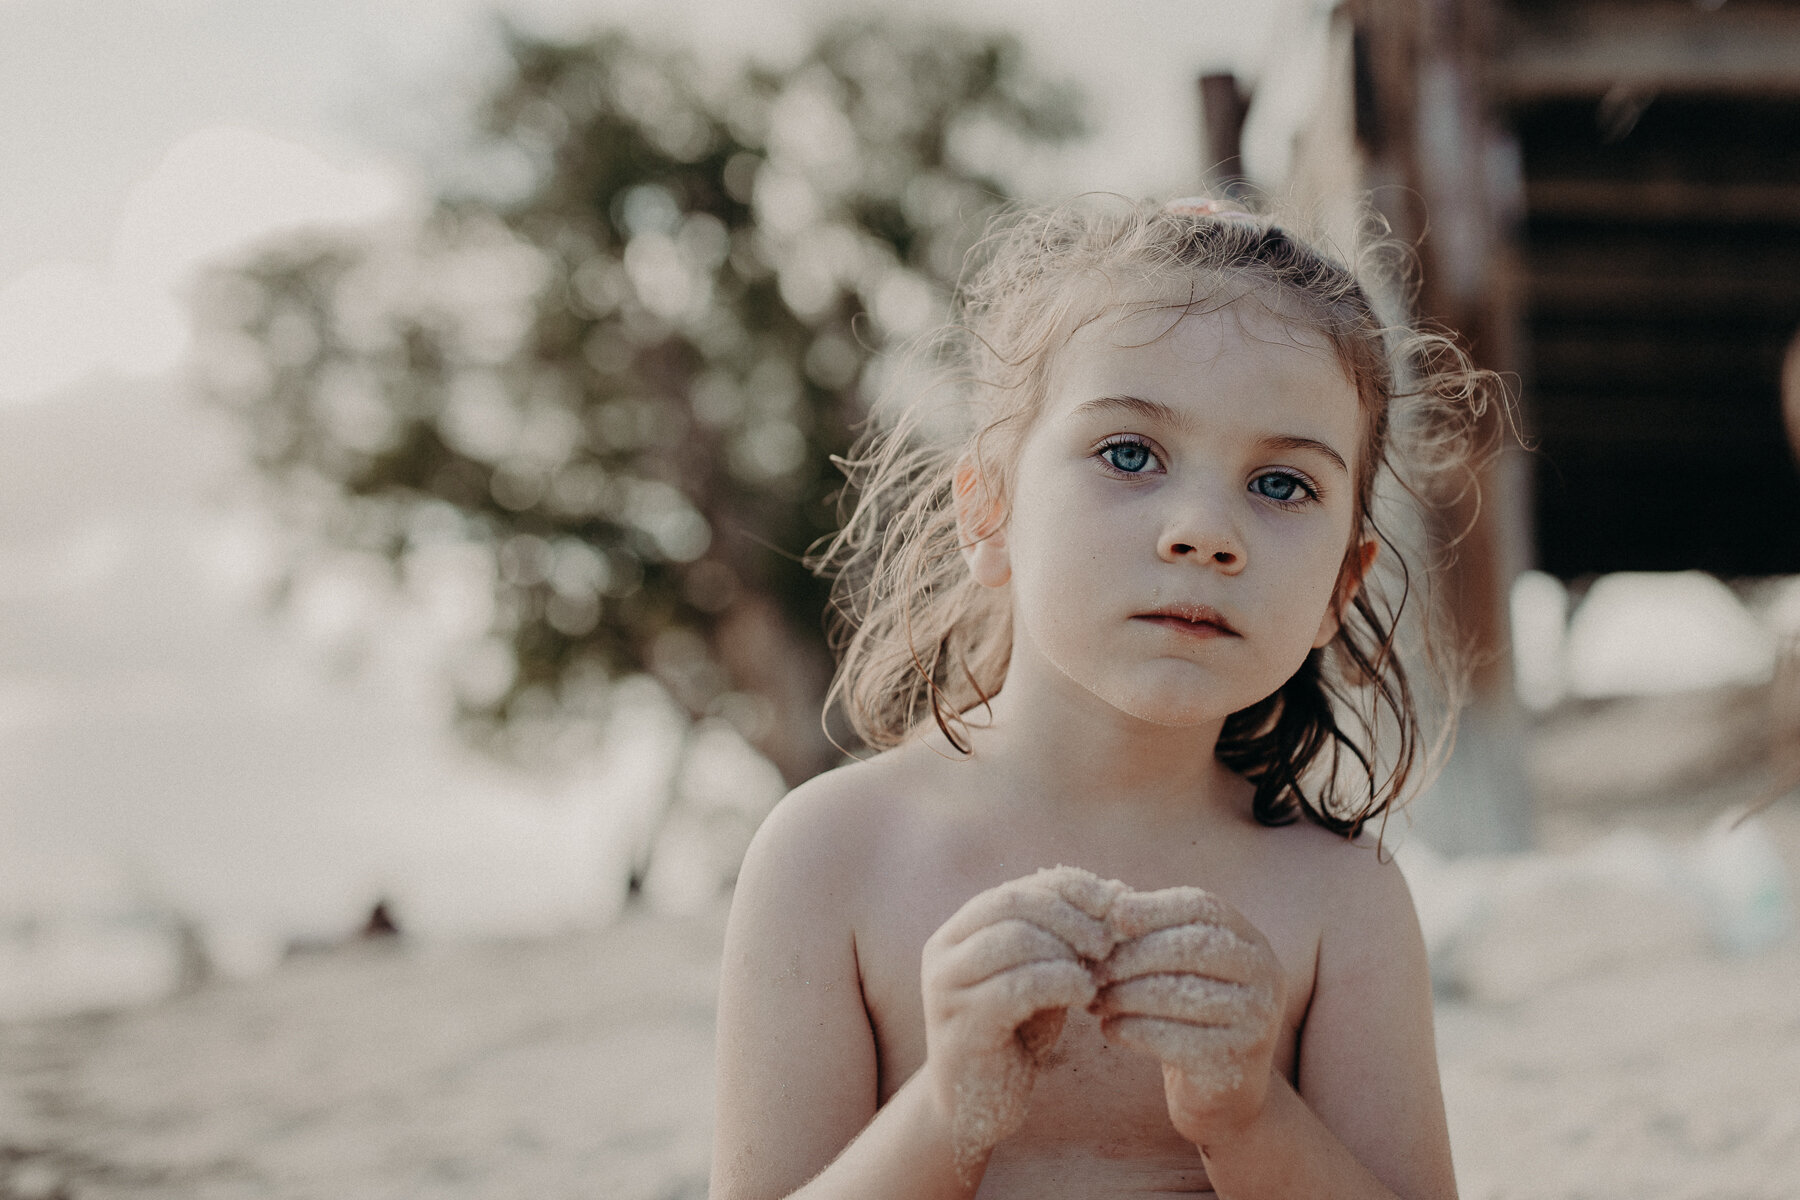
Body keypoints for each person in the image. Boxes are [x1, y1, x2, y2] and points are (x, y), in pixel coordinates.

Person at [709, 195, 1497, 1199]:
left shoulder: (1341, 901)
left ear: (1341, 585)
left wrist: (1251, 1116)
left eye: (1284, 485)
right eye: (1130, 453)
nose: (1206, 531)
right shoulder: (832, 856)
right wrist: (946, 1111)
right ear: (988, 510)